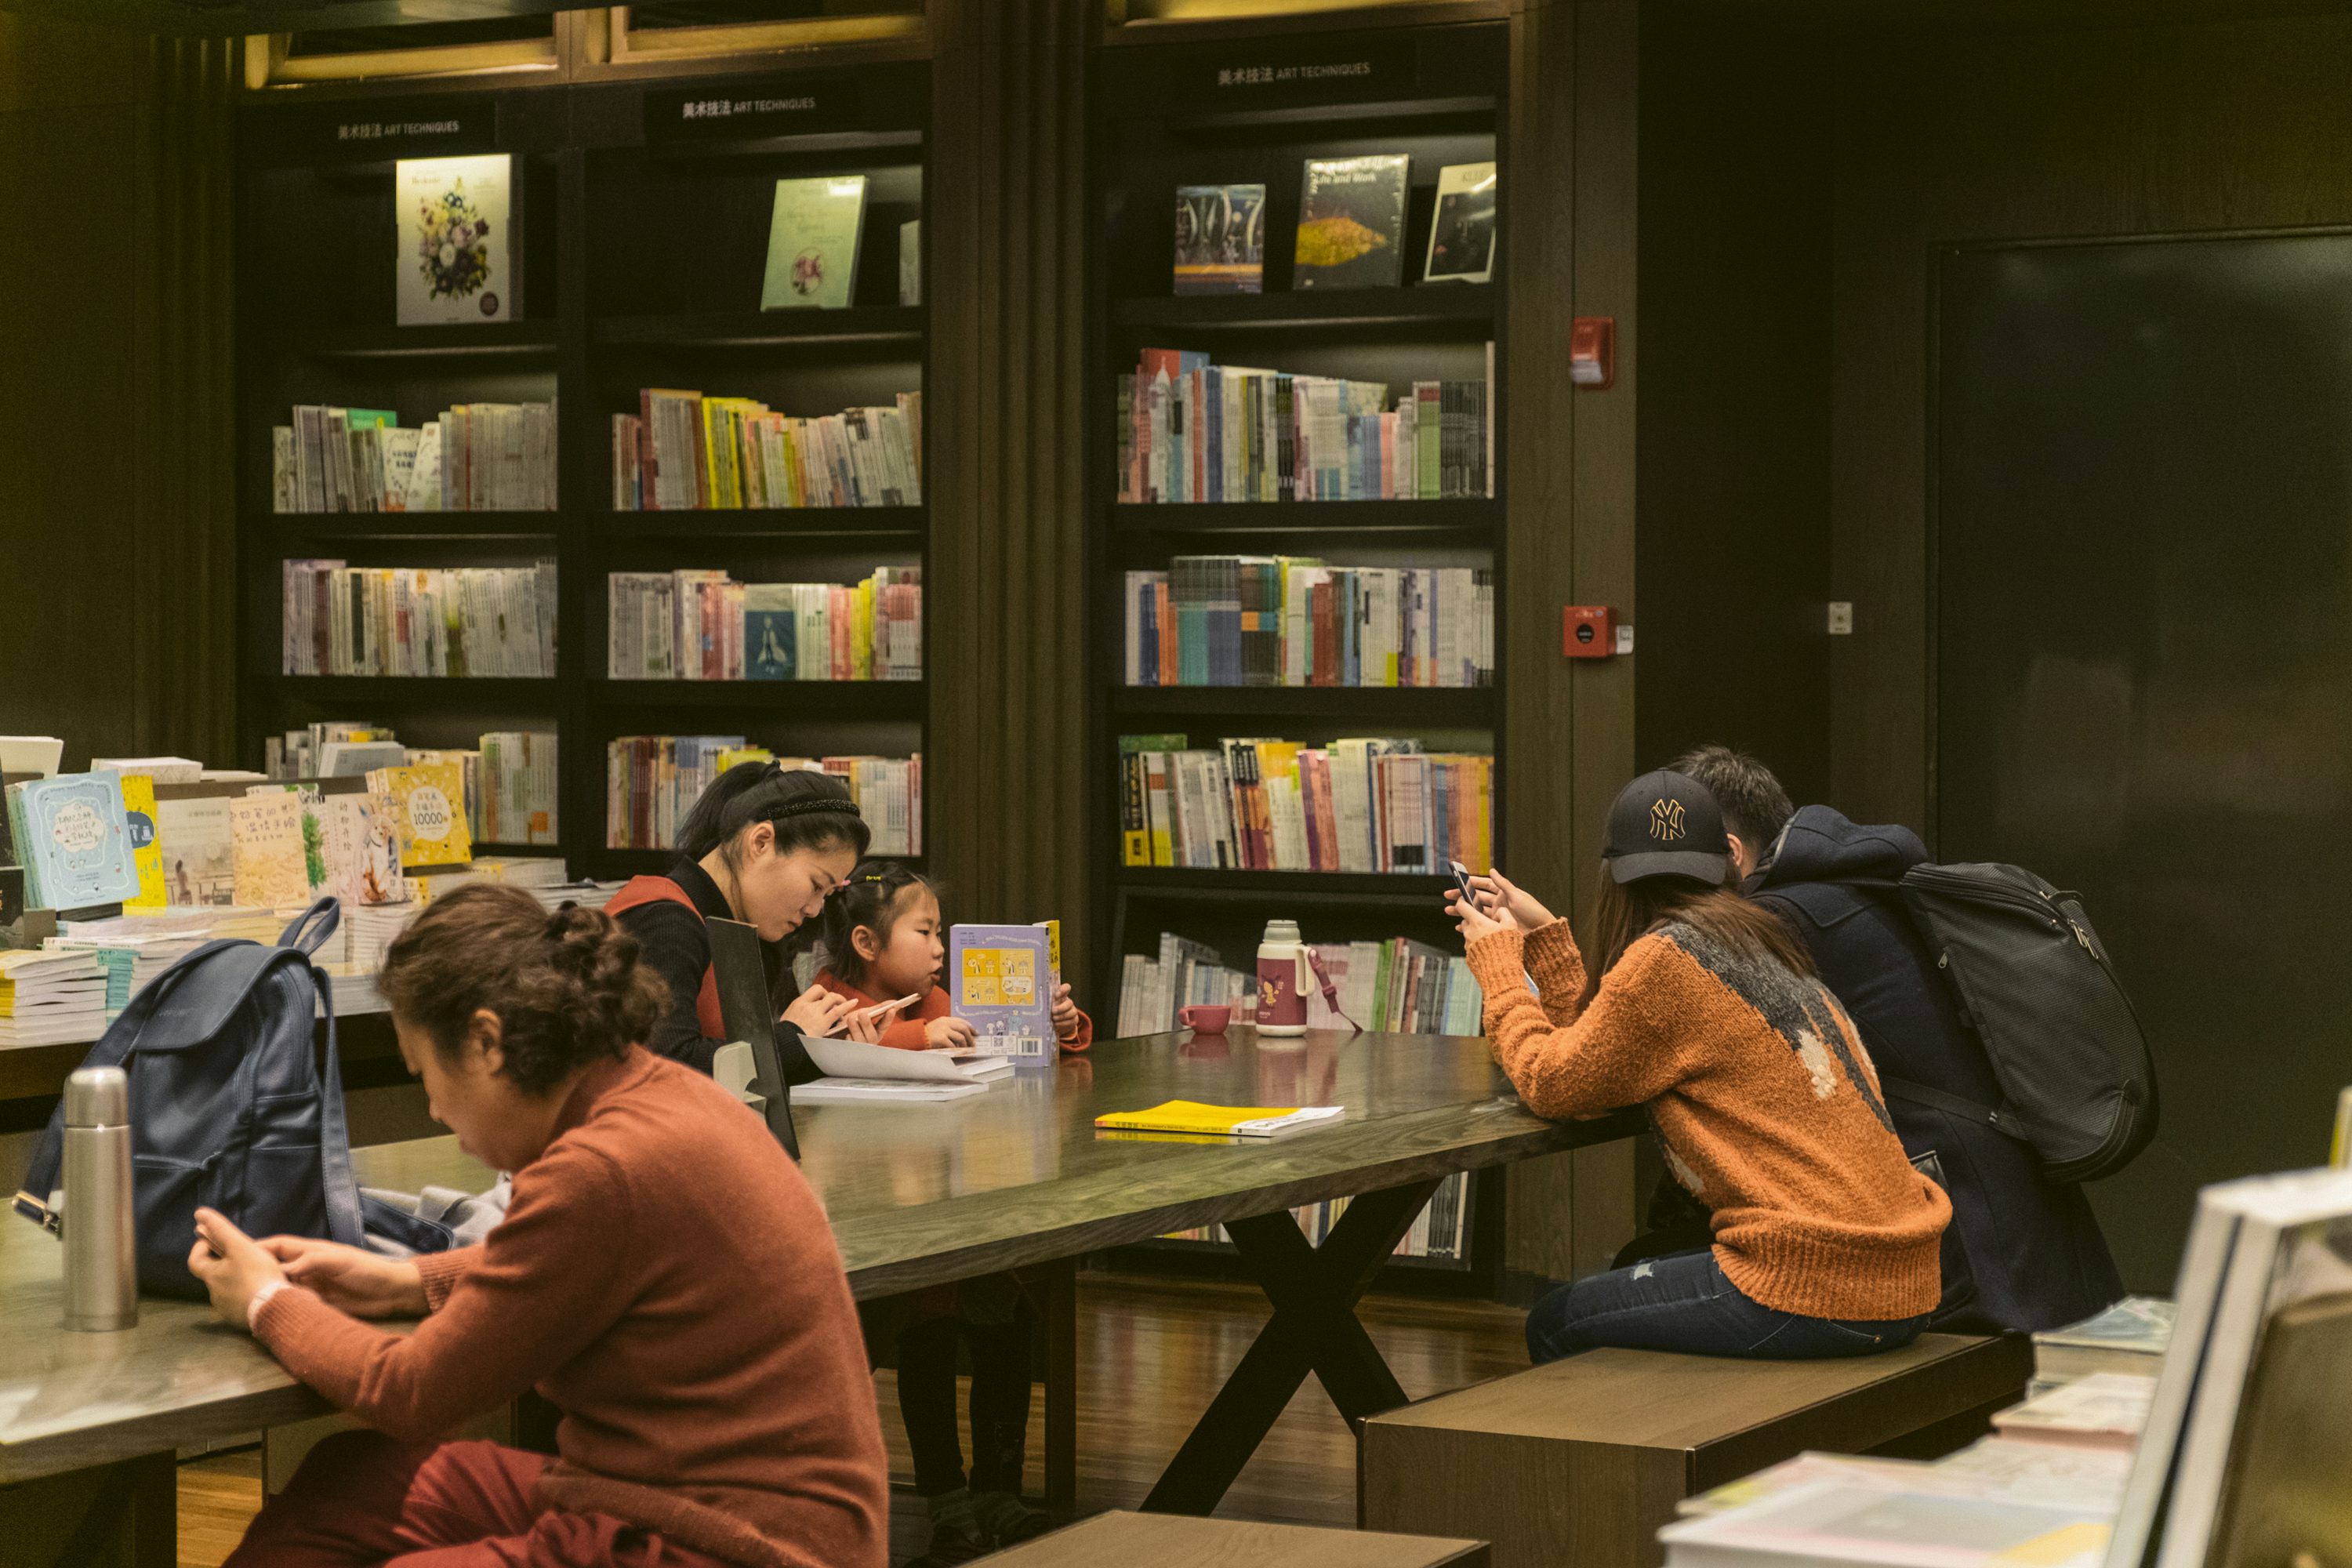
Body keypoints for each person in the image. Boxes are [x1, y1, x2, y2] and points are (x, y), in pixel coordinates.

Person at [187, 884, 889, 1568]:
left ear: (487, 1042)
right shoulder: (661, 1095)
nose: (433, 1109)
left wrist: (265, 1300)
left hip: (726, 1542)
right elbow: (593, 1261)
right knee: (352, 1479)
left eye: (425, 1074)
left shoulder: (598, 1168)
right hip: (708, 1509)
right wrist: (407, 1281)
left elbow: (410, 1393)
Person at [1452, 769, 1951, 1364]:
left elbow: (1550, 1083)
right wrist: (1545, 942)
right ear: (1725, 865)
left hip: (1821, 1284)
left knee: (1555, 1322)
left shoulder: (1665, 962)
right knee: (1637, 1263)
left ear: (1613, 878)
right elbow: (1595, 1067)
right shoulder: (1755, 941)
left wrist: (1500, 970)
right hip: (1898, 1276)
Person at [1671, 744, 2124, 1332]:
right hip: (2017, 1210)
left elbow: (1660, 1040)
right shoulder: (1859, 882)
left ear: (1730, 854)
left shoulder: (1783, 919)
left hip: (1970, 1234)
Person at [808, 862, 1091, 1563]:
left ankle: (1001, 1491)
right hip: (892, 1224)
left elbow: (1015, 1043)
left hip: (972, 1200)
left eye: (941, 933)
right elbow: (827, 1054)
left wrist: (1059, 1022)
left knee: (1007, 1325)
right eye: (925, 932)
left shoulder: (943, 995)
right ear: (868, 944)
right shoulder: (828, 999)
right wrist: (918, 1038)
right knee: (926, 1343)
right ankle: (947, 1500)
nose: (941, 948)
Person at [604, 761, 873, 1083]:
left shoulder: (740, 928)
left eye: (827, 895)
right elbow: (669, 1067)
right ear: (761, 842)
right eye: (816, 885)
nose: (815, 910)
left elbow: (740, 1069)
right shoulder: (664, 920)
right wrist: (793, 1036)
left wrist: (827, 1049)